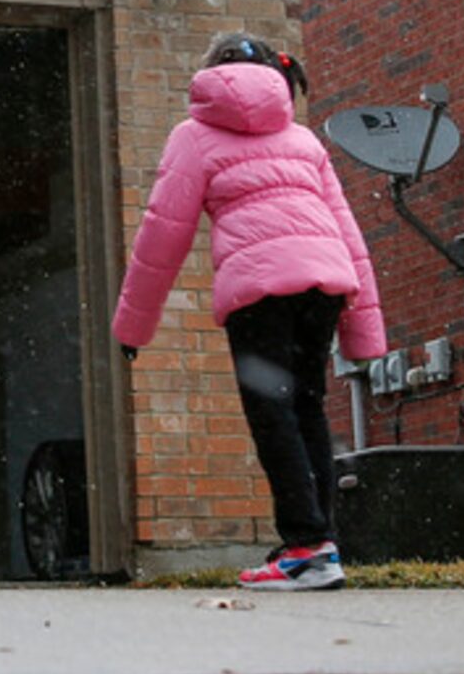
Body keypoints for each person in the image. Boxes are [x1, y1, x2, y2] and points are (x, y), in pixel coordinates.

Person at [112, 31, 386, 591]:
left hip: (260, 293)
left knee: (273, 414)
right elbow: (349, 234)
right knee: (308, 409)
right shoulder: (303, 140)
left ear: (213, 74)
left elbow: (161, 238)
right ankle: (320, 543)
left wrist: (132, 326)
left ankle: (306, 547)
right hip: (324, 287)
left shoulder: (194, 136)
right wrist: (365, 336)